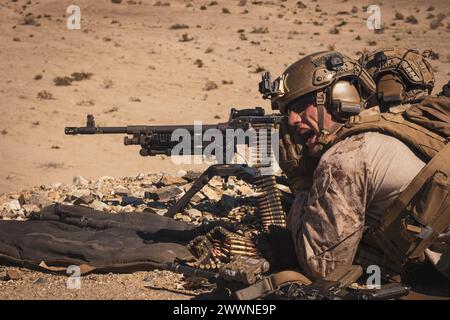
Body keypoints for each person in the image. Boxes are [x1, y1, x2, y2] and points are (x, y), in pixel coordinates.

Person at [263, 50, 450, 282]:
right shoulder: (399, 124)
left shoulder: (345, 157)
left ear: (340, 97)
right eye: (287, 112)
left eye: (301, 106)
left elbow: (324, 268)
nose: (291, 120)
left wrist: (302, 181)